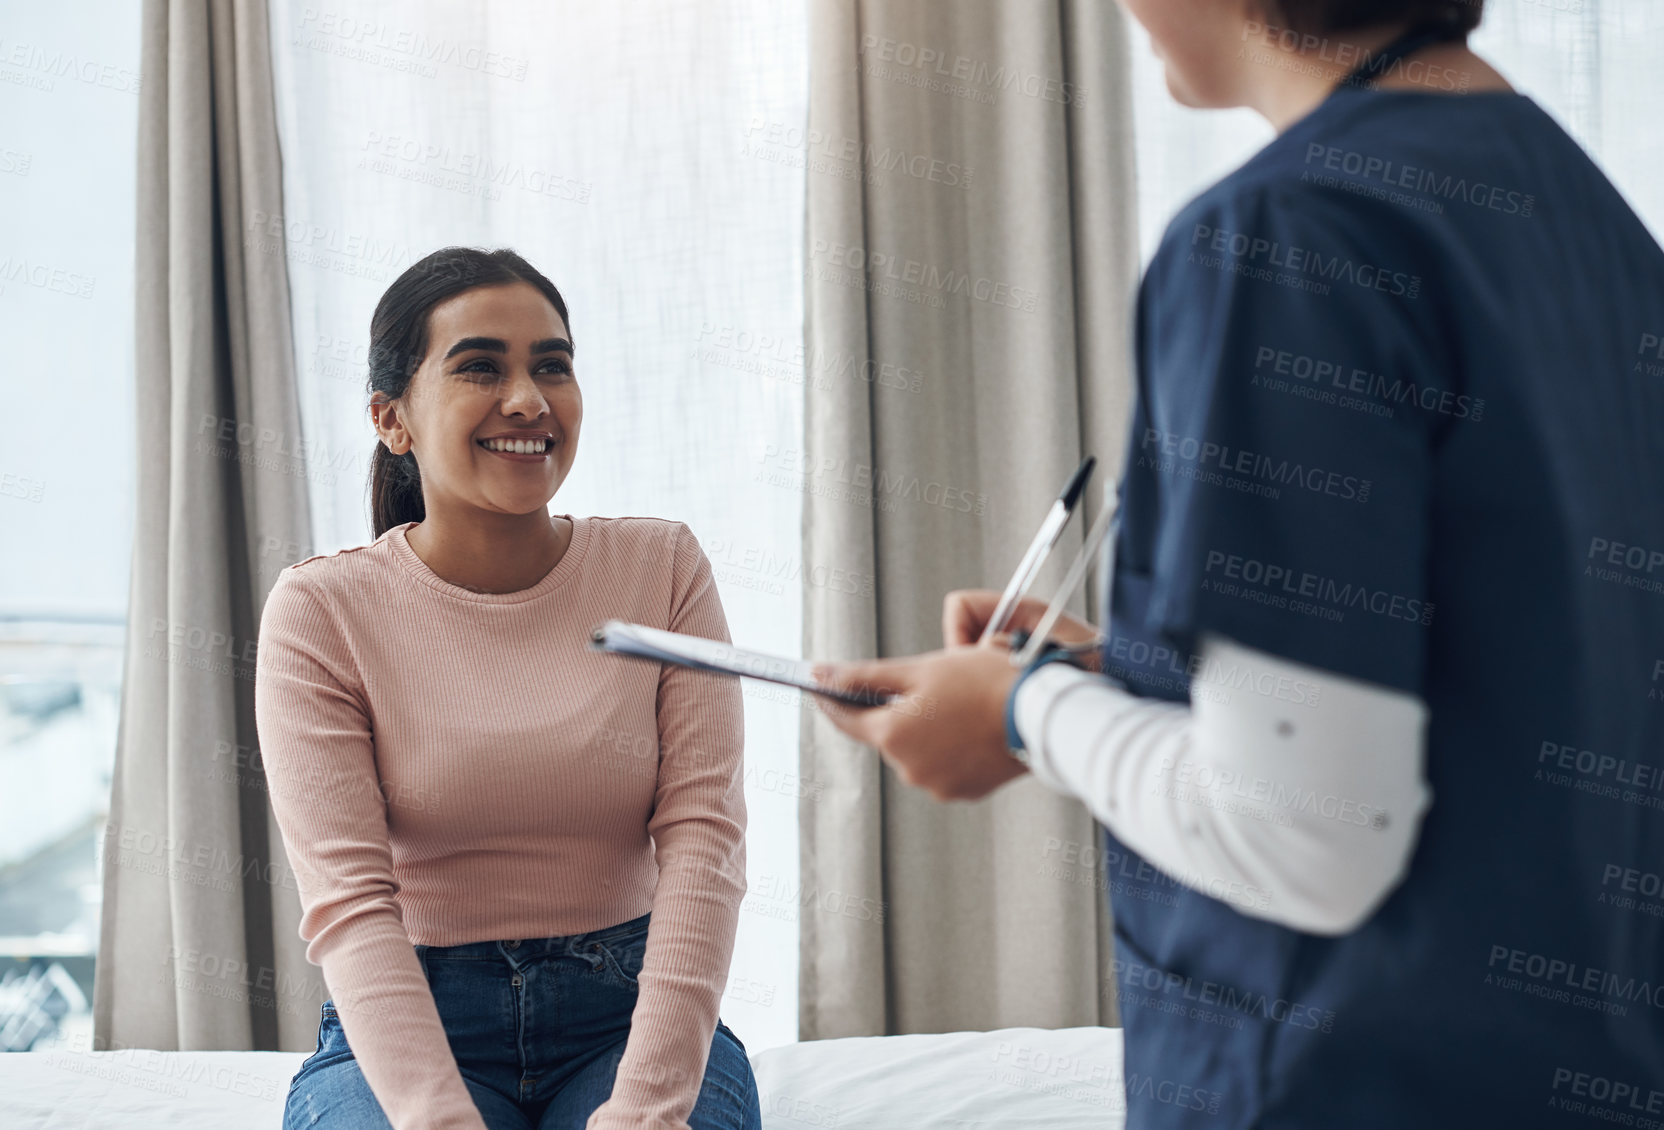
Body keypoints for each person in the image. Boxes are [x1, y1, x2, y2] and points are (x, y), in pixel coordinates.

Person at [814, 1, 1664, 1125]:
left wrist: (1027, 710)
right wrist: (1145, 673)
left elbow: (1309, 834)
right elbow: (1518, 663)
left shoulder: (1288, 232)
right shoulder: (1595, 227)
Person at [254, 247, 760, 1130]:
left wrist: (645, 1110)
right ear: (392, 418)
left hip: (627, 1018)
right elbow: (350, 901)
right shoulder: (321, 609)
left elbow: (704, 846)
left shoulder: (663, 567)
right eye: (481, 367)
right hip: (415, 1020)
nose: (528, 398)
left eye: (552, 366)